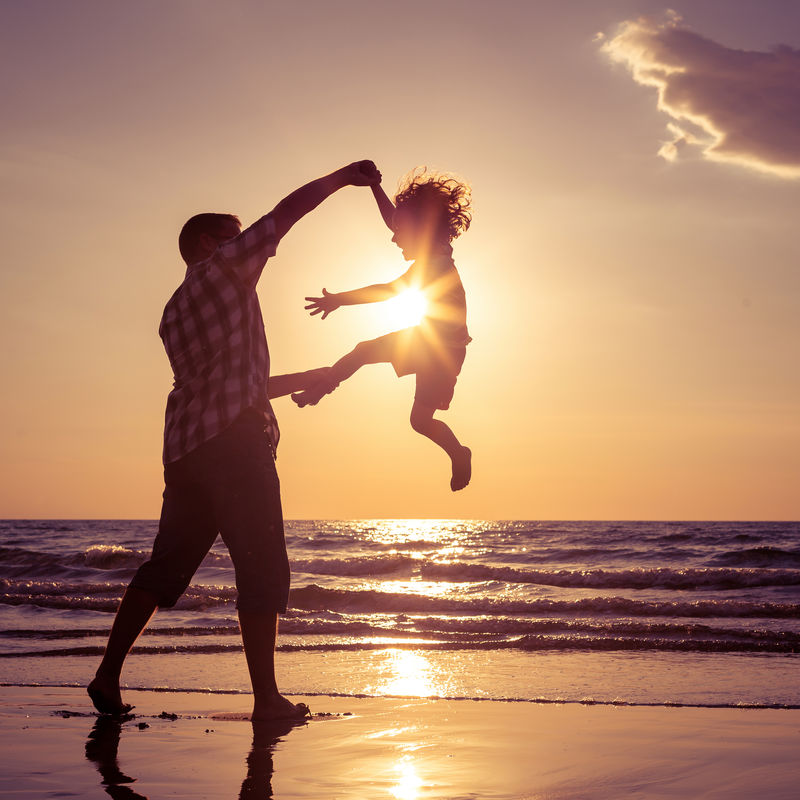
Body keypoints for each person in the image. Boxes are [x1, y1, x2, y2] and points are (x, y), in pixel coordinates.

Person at [87, 160, 380, 721]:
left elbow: (236, 385)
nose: (253, 246)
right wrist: (343, 177)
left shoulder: (172, 313)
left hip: (187, 452)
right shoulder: (226, 269)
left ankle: (107, 675)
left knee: (164, 568)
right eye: (234, 234)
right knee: (262, 566)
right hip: (236, 449)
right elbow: (284, 217)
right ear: (208, 242)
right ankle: (267, 701)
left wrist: (308, 377)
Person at [292, 169, 473, 491]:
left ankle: (459, 453)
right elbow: (395, 219)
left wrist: (340, 300)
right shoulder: (434, 245)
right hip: (427, 338)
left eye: (400, 232)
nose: (393, 236)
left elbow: (388, 290)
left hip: (444, 351)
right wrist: (374, 187)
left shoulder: (434, 264)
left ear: (421, 230)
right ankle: (321, 389)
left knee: (419, 421)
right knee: (363, 352)